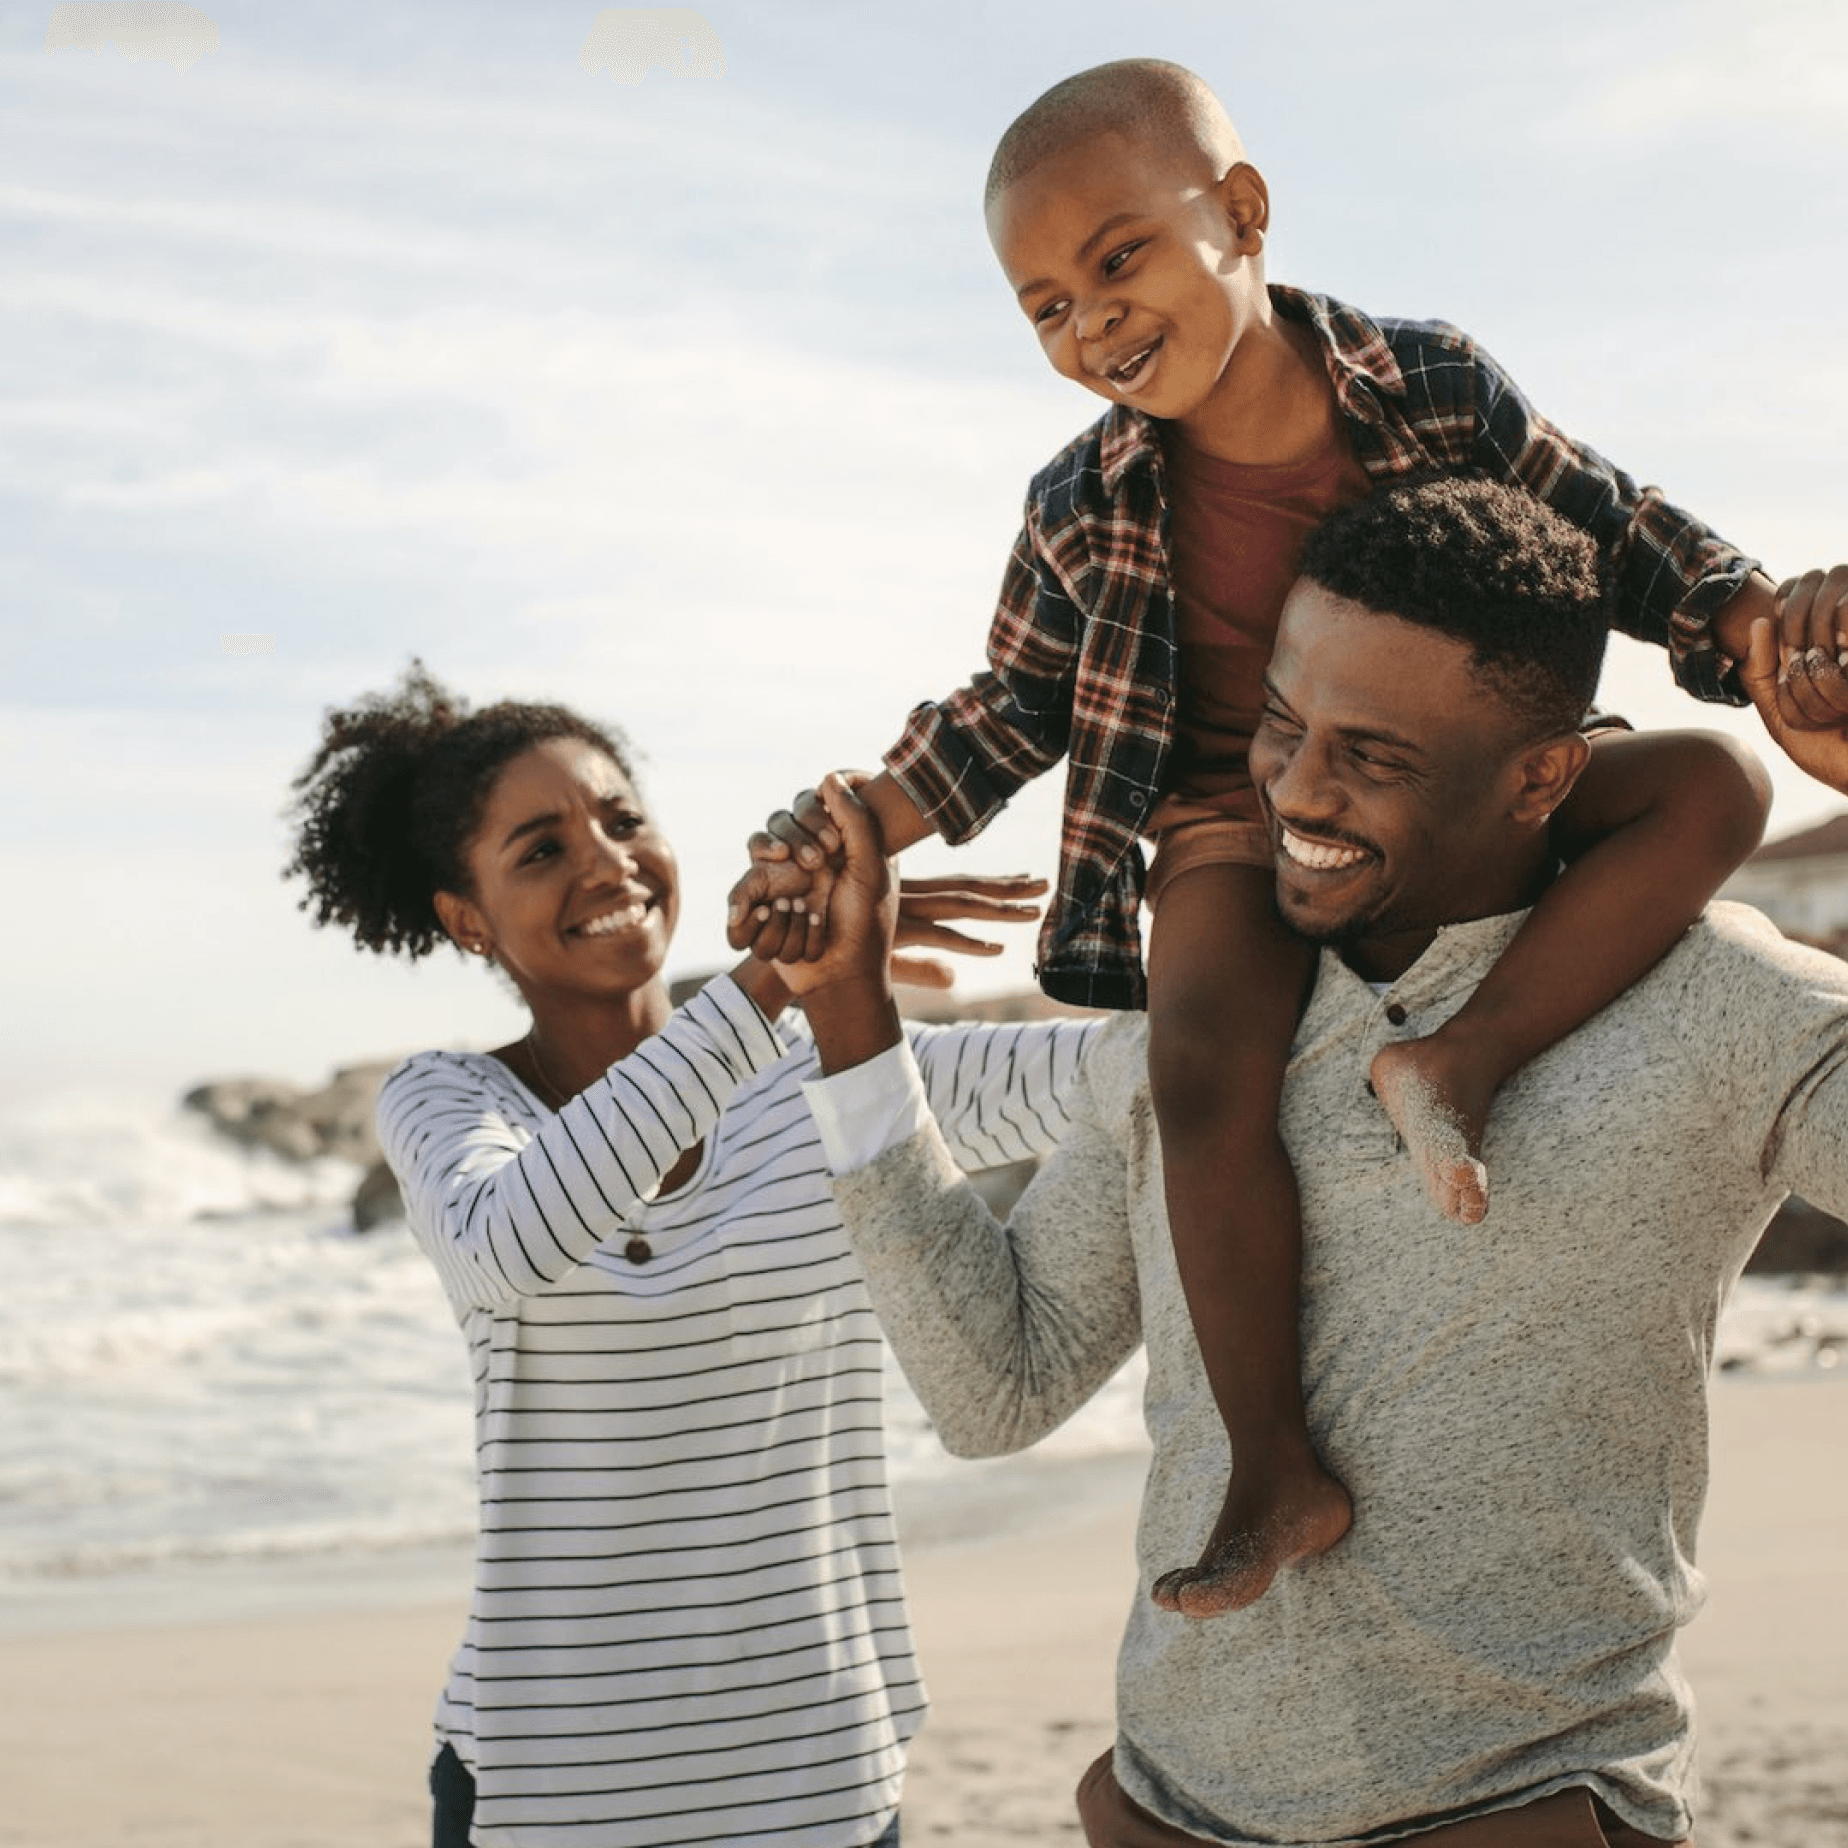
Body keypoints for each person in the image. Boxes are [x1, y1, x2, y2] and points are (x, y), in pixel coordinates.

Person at [742, 55, 1848, 1616]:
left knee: (1712, 788)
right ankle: (1274, 1467)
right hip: (1230, 821)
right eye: (1046, 306)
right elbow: (1010, 707)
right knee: (1200, 1069)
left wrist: (1756, 627)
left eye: (1119, 258)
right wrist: (862, 821)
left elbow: (1607, 525)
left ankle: (1459, 1060)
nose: (1094, 323)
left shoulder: (1429, 383)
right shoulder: (1080, 501)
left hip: (1462, 785)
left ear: (1242, 214)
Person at [766, 477, 1848, 1848]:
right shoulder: (1207, 1030)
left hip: (1523, 1816)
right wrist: (852, 1017)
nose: (1298, 792)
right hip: (1169, 1808)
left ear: (1543, 774)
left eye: (1376, 757)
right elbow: (999, 1388)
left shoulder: (1713, 999)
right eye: (1283, 725)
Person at [282, 663, 1098, 1848]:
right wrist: (778, 976)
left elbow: (1121, 1079)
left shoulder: (840, 1069)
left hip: (819, 1785)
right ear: (468, 919)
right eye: (541, 850)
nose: (605, 863)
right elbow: (509, 1243)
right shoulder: (448, 1103)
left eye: (621, 821)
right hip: (549, 1794)